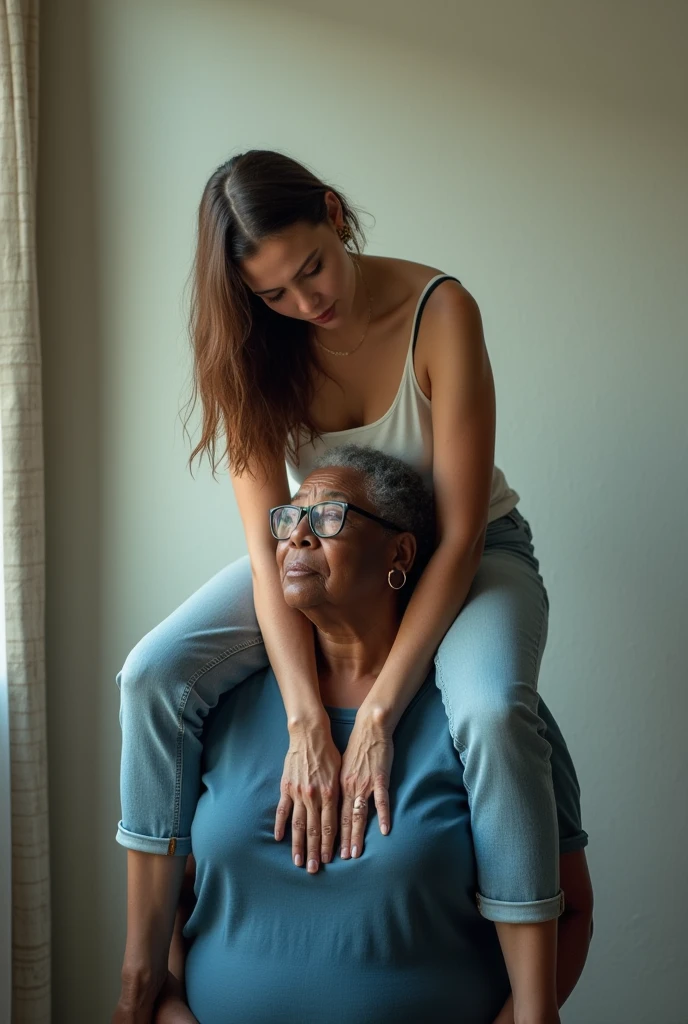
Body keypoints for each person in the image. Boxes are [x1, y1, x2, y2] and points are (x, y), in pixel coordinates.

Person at [113, 149, 586, 1023]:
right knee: (151, 674)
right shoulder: (254, 350)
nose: (306, 303)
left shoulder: (439, 309)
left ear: (334, 213)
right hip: (326, 547)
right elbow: (267, 550)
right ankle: (141, 973)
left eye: (311, 269)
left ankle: (532, 1008)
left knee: (486, 707)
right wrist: (304, 722)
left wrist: (373, 721)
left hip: (469, 554)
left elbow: (460, 532)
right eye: (275, 295)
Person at [150, 450, 593, 1024]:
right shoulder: (216, 703)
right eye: (288, 519)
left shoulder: (485, 713)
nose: (298, 537)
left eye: (329, 516)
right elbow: (174, 895)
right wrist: (169, 1011)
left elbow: (570, 909)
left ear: (400, 554)